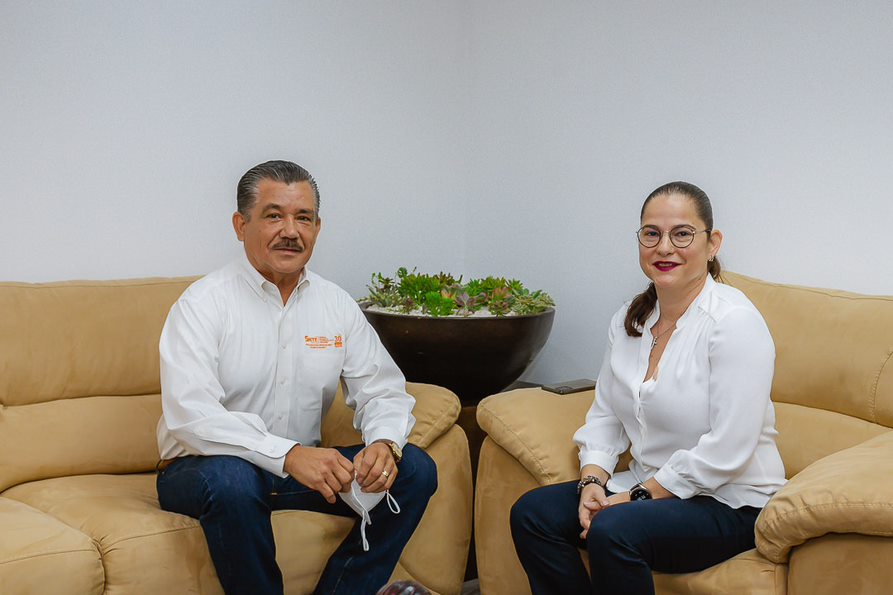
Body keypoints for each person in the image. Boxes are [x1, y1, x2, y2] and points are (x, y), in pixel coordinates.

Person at [155, 160, 437, 595]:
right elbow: (192, 416)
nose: (291, 231)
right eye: (274, 216)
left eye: (303, 218)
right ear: (240, 225)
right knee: (234, 478)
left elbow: (382, 389)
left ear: (317, 228)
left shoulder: (335, 305)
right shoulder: (203, 304)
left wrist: (384, 443)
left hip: (298, 471)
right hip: (202, 470)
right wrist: (288, 455)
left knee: (415, 469)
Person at [510, 181, 786, 594]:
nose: (664, 247)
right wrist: (592, 482)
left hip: (730, 502)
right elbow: (606, 416)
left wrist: (638, 497)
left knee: (614, 529)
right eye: (652, 234)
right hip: (647, 488)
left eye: (682, 234)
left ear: (712, 243)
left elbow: (727, 449)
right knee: (532, 514)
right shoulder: (630, 319)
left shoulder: (734, 323)